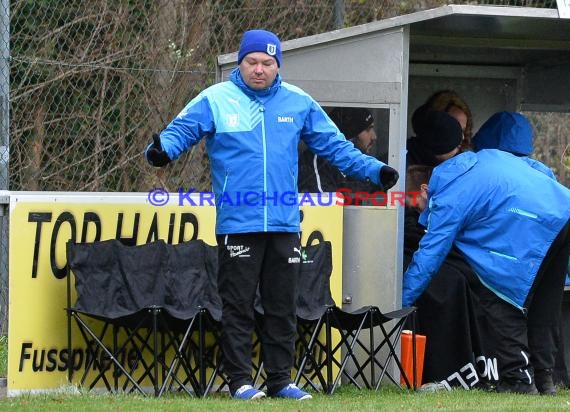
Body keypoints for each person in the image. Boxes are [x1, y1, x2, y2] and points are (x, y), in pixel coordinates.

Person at [144, 29, 399, 400]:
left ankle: (281, 381)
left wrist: (375, 171)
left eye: (267, 63)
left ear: (278, 65)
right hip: (238, 223)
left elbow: (336, 146)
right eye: (252, 62)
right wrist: (161, 151)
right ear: (240, 62)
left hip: (284, 223)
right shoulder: (216, 99)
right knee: (238, 306)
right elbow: (181, 131)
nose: (259, 69)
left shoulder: (298, 102)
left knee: (282, 306)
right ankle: (240, 383)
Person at [402, 142, 570, 394]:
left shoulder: (448, 195)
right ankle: (545, 381)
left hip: (531, 225)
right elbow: (539, 169)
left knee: (500, 299)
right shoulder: (486, 157)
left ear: (426, 188)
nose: (417, 209)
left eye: (415, 202)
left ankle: (518, 381)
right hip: (561, 210)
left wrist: (399, 302)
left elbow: (429, 256)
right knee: (544, 304)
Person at [472, 111, 566, 391]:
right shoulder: (541, 172)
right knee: (545, 309)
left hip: (516, 259)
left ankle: (521, 380)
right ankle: (545, 379)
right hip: (557, 241)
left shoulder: (487, 171)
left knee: (509, 307)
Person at [298, 107, 377, 194]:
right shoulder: (318, 158)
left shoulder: (358, 162)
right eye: (368, 129)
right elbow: (325, 201)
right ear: (351, 135)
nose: (374, 137)